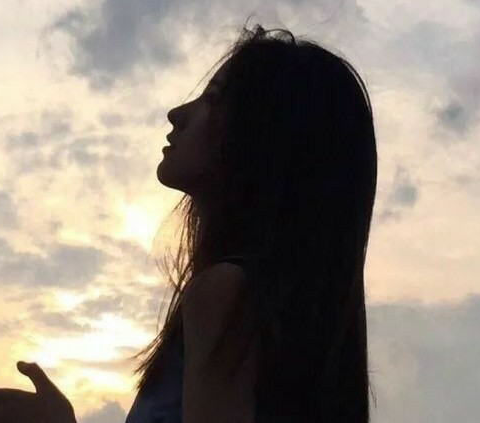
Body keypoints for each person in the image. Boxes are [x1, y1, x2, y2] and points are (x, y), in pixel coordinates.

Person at [125, 19, 378, 423]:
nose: (177, 114)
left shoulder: (226, 294)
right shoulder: (305, 326)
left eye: (213, 99)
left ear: (263, 136)